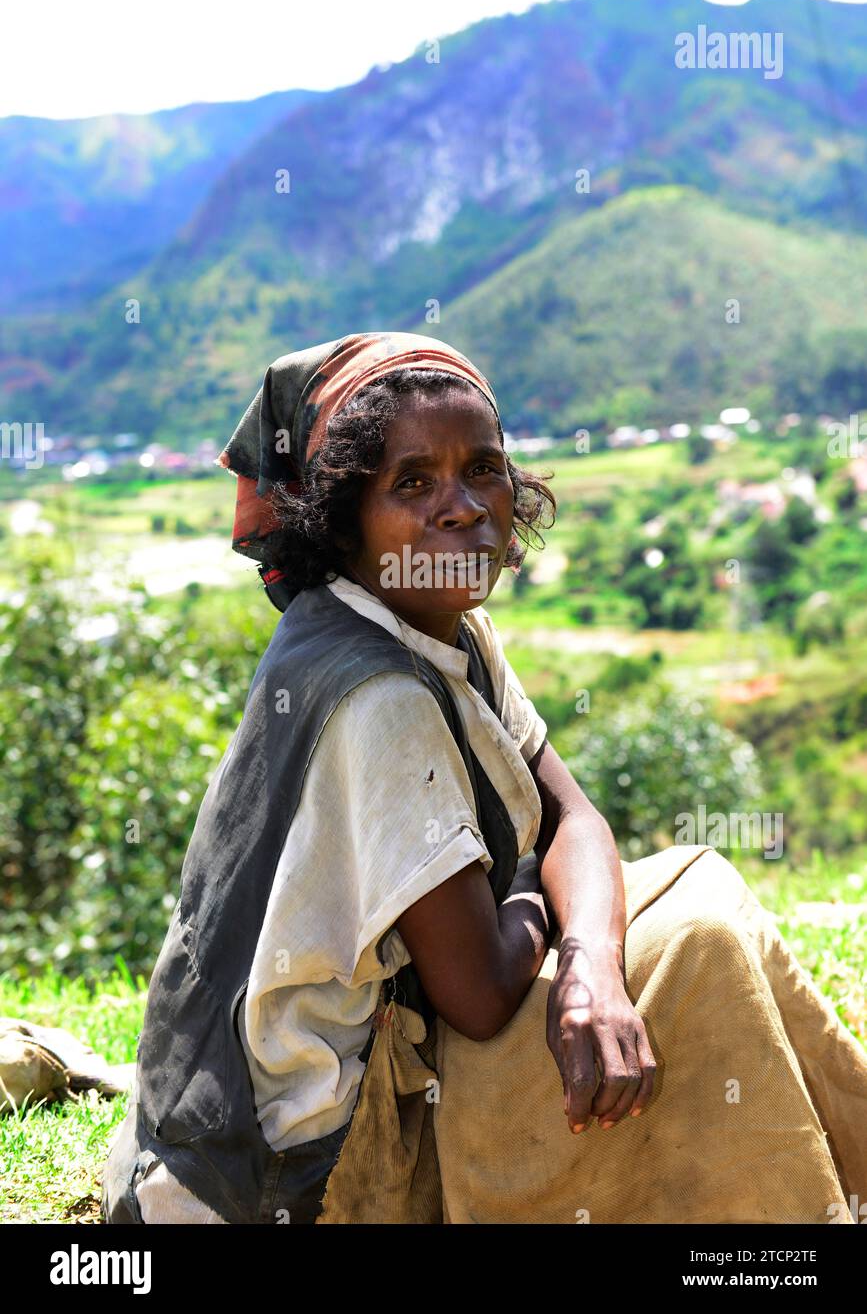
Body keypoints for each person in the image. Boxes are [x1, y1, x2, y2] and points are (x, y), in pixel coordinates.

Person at [101, 331, 867, 1225]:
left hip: (404, 1048)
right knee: (694, 950)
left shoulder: (437, 622)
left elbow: (570, 818)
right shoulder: (375, 693)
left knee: (702, 881)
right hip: (311, 1167)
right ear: (346, 520)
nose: (462, 507)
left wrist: (588, 959)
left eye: (483, 470)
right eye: (412, 482)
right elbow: (482, 992)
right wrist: (548, 909)